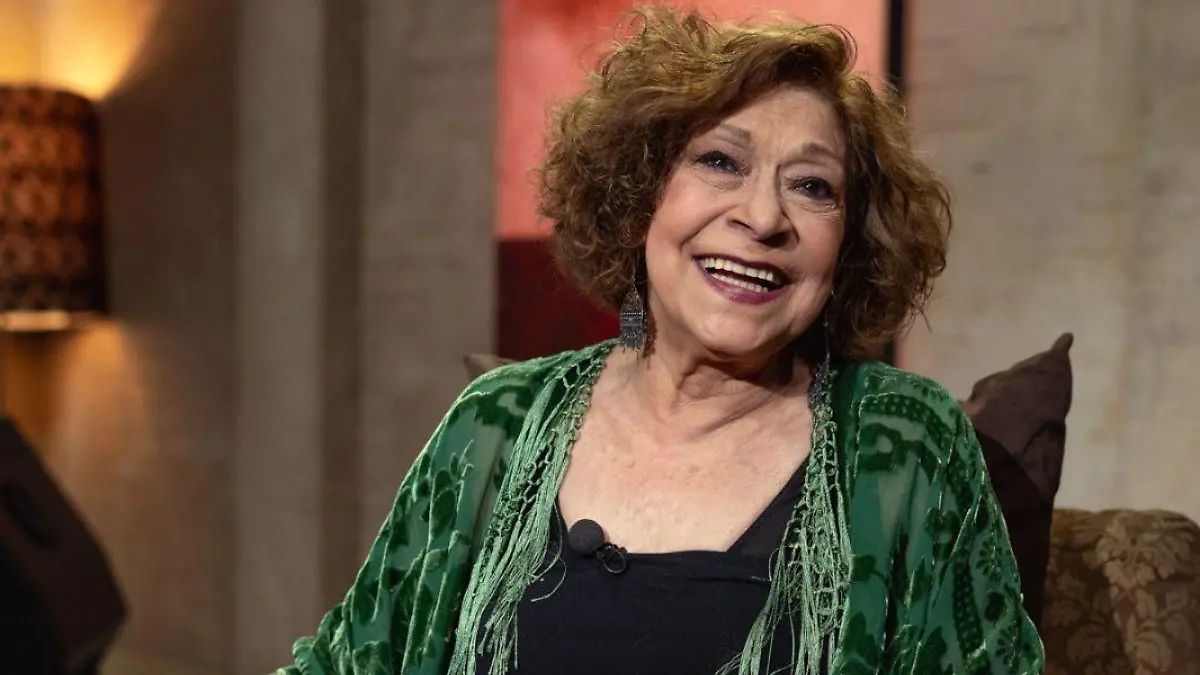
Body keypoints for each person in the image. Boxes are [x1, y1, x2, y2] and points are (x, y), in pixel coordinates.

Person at [275, 7, 1043, 675]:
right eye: (720, 162)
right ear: (639, 195)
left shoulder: (905, 441)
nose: (763, 218)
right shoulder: (497, 419)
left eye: (812, 186)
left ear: (847, 246)